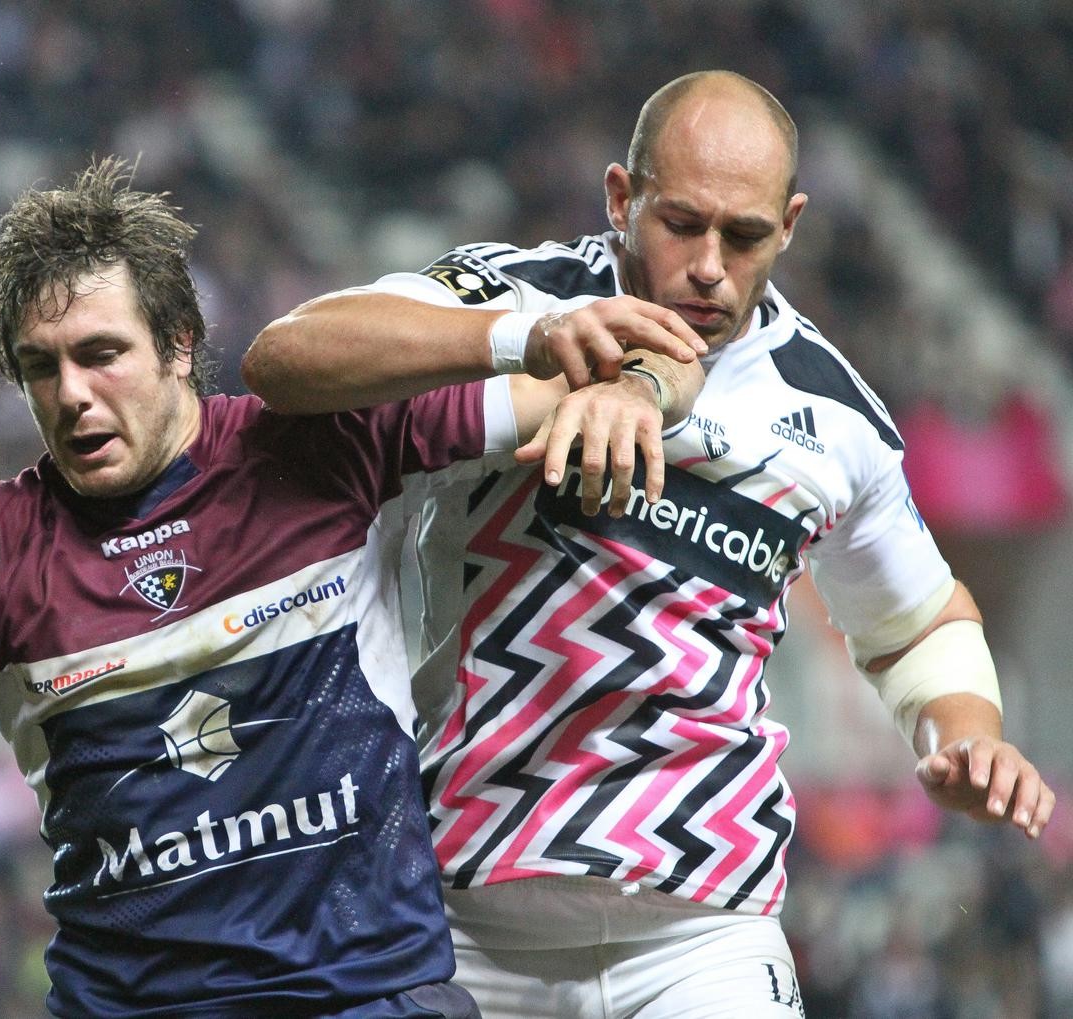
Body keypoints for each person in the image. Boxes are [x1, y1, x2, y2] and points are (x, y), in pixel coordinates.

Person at [0, 159, 702, 1018]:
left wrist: (635, 392)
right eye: (42, 367)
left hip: (365, 999)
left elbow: (647, 365)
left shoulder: (324, 440)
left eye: (101, 353)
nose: (72, 394)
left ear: (178, 345)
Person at [243, 71, 1056, 1019]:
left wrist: (968, 736)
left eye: (744, 235)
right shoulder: (518, 296)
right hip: (461, 917)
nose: (710, 265)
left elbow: (919, 623)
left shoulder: (835, 414)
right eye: (681, 224)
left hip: (704, 934)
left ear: (790, 225)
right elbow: (283, 358)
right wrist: (521, 342)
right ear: (621, 198)